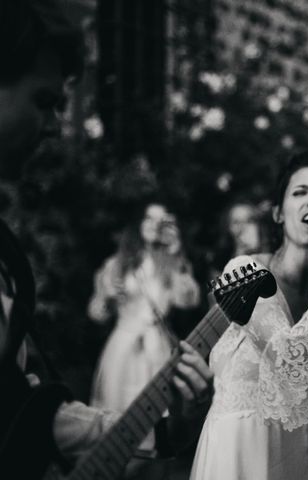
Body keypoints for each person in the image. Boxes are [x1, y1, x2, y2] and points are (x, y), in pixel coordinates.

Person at [0, 2, 212, 478]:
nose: (56, 125)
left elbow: (18, 415)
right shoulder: (118, 264)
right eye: (42, 102)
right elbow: (97, 309)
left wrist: (158, 430)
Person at [189, 149, 308, 480]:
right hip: (239, 450)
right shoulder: (245, 270)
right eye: (300, 192)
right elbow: (293, 364)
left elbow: (305, 394)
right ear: (278, 214)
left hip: (288, 454)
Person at [88, 201, 201, 413]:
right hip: (123, 348)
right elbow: (97, 313)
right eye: (149, 218)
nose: (154, 225)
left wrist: (176, 253)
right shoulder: (117, 263)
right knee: (115, 414)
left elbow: (187, 301)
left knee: (156, 417)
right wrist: (106, 297)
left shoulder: (173, 263)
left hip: (157, 349)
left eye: (161, 221)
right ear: (138, 223)